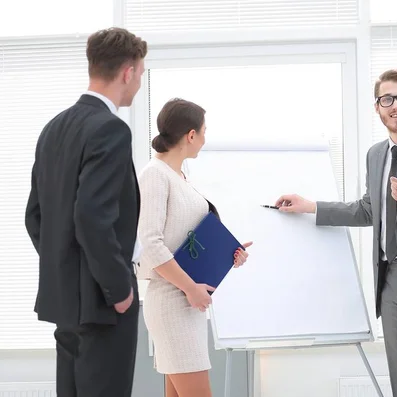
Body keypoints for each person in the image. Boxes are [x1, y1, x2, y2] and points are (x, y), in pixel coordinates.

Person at [275, 69, 397, 397]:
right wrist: (311, 206)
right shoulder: (376, 154)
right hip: (391, 285)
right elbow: (369, 209)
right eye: (387, 99)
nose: (395, 105)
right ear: (377, 107)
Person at [24, 28, 147, 397]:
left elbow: (34, 216)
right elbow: (92, 216)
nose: (139, 83)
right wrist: (118, 289)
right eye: (140, 74)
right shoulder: (110, 129)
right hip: (104, 305)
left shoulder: (53, 128)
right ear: (128, 72)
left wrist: (66, 268)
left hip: (65, 303)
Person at [136, 98, 253, 397]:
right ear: (190, 135)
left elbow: (186, 237)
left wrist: (227, 253)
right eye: (203, 131)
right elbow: (151, 242)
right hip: (173, 301)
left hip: (185, 303)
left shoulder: (179, 177)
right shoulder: (155, 174)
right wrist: (190, 288)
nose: (204, 139)